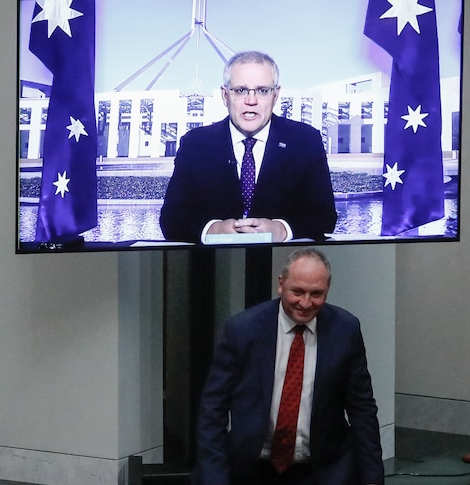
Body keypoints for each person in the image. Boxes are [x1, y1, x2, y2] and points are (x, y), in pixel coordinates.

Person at [194, 248, 385, 485]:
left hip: (323, 469)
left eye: (317, 294)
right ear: (281, 284)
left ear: (328, 290)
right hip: (251, 468)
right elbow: (213, 408)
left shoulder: (345, 330)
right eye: (298, 292)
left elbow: (362, 409)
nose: (305, 303)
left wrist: (373, 478)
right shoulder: (242, 330)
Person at [159, 51, 338, 244]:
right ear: (225, 95)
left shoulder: (305, 141)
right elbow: (171, 219)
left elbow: (325, 216)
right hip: (214, 267)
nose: (251, 101)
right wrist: (213, 230)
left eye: (262, 90)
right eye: (240, 90)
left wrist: (282, 230)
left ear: (275, 95)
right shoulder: (195, 144)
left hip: (282, 265)